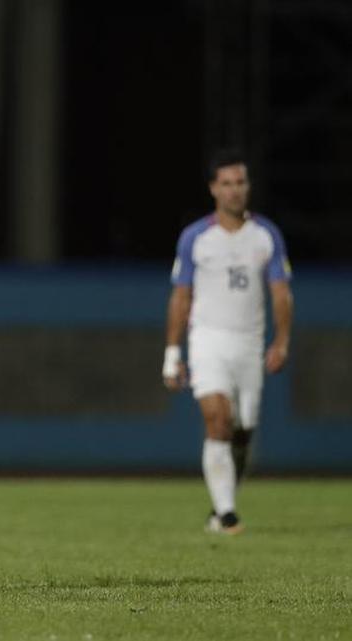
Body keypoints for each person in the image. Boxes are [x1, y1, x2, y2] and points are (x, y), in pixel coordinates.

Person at [163, 149, 293, 535]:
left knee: (243, 430)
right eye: (227, 183)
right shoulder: (196, 238)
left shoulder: (266, 236)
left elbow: (281, 293)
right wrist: (173, 354)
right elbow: (181, 297)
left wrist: (281, 341)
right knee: (217, 419)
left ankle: (221, 507)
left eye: (241, 182)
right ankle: (228, 514)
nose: (235, 190)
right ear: (213, 189)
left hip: (249, 344)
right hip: (208, 341)